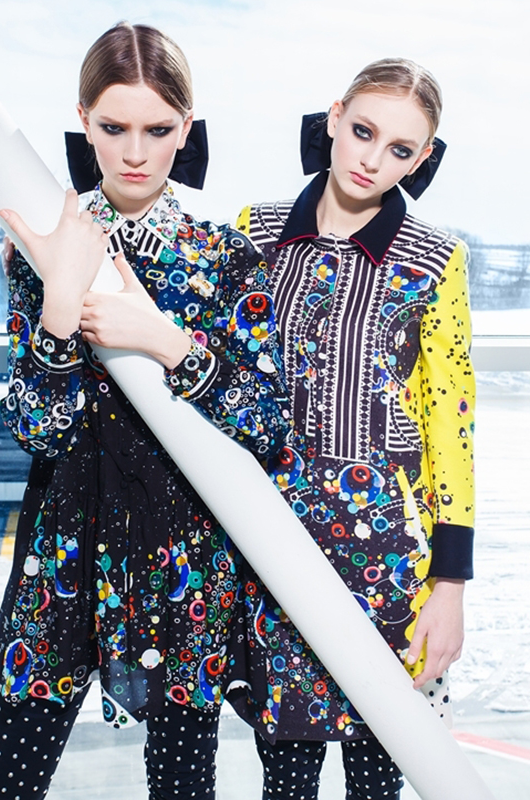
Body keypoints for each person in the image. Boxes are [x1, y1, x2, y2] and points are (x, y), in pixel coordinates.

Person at [0, 22, 292, 800]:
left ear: (186, 125)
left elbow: (267, 425)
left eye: (157, 129)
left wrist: (168, 343)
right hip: (65, 545)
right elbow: (35, 430)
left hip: (186, 554)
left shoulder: (225, 256)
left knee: (183, 787)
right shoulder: (47, 247)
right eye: (114, 128)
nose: (135, 153)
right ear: (84, 120)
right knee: (4, 782)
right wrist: (59, 306)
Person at [232, 58, 475, 799]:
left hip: (390, 553)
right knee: (286, 779)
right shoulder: (255, 233)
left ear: (421, 159)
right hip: (276, 540)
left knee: (379, 777)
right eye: (363, 131)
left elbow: (452, 425)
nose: (373, 159)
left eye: (400, 149)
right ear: (334, 118)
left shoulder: (437, 260)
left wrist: (450, 586)